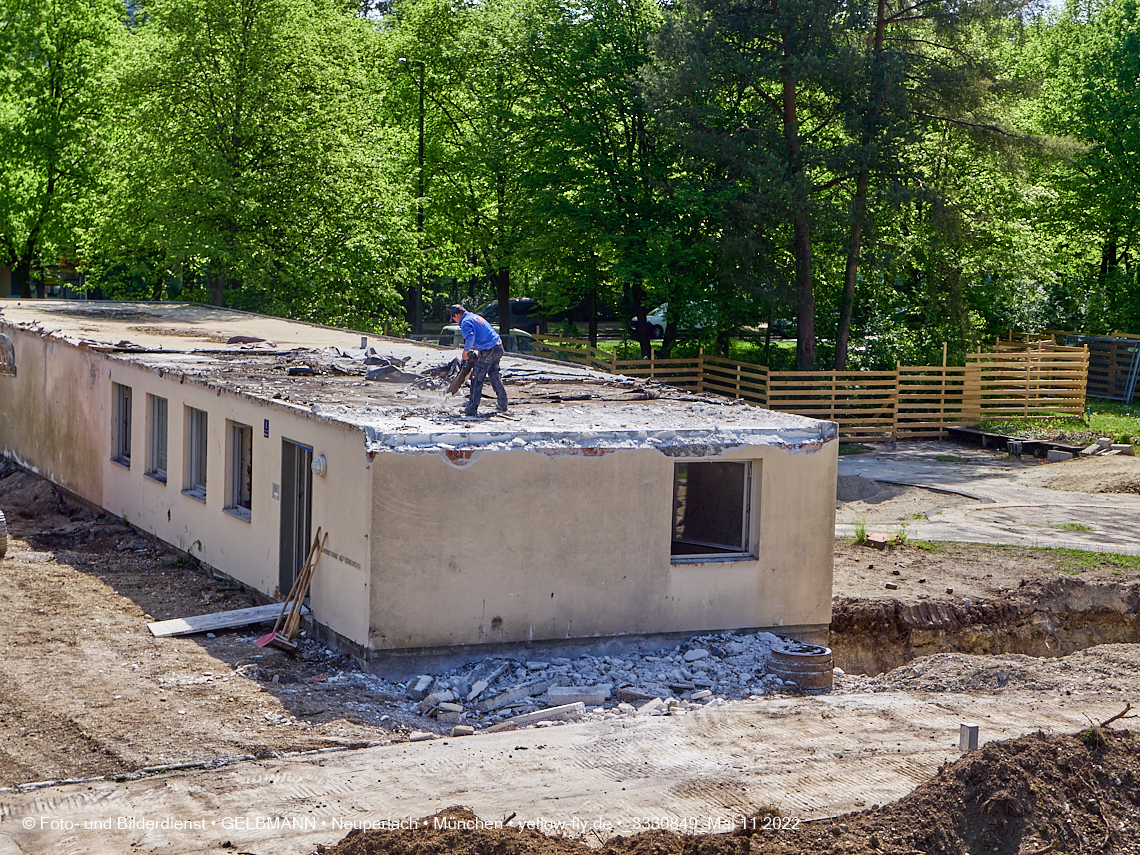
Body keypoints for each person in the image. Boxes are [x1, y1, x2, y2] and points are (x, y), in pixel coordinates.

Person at [449, 304, 508, 416]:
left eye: (454, 318)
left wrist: (465, 352)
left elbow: (471, 337)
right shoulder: (474, 317)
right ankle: (503, 404)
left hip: (490, 349)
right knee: (494, 375)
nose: (455, 320)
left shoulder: (465, 322)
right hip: (498, 347)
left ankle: (471, 409)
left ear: (456, 315)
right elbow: (484, 335)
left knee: (476, 377)